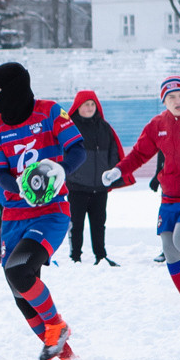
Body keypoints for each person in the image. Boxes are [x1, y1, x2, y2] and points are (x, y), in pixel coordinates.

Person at [0, 61, 82, 360]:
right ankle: (65, 356)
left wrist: (61, 170)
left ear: (11, 89)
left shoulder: (50, 111)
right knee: (19, 291)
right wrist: (19, 186)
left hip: (51, 211)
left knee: (19, 269)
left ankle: (57, 325)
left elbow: (78, 150)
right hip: (14, 215)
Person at [102, 75, 180, 298]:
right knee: (170, 251)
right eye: (171, 97)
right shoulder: (157, 125)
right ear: (164, 101)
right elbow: (139, 154)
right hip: (170, 196)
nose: (177, 100)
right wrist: (118, 170)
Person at [65, 89, 123, 265]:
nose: (90, 108)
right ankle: (75, 257)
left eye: (92, 104)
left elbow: (113, 152)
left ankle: (101, 256)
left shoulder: (104, 127)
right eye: (86, 105)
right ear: (77, 107)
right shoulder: (70, 128)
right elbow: (63, 153)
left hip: (99, 186)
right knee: (76, 224)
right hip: (77, 187)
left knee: (99, 223)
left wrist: (111, 174)